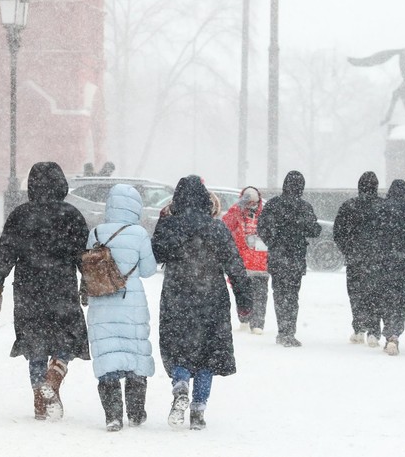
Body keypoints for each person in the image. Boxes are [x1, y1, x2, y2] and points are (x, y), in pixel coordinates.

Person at [0, 161, 90, 421]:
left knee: (35, 343)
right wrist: (86, 282)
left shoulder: (20, 215)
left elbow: (5, 251)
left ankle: (39, 401)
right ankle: (55, 374)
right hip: (61, 285)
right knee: (68, 335)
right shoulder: (71, 215)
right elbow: (83, 254)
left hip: (29, 288)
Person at [151, 175, 252, 431]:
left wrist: (166, 223)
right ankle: (198, 410)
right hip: (211, 298)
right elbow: (235, 266)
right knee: (209, 355)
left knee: (178, 347)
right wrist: (244, 300)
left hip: (177, 296)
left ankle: (181, 383)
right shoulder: (217, 228)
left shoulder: (170, 226)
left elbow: (156, 254)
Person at [86, 184, 157, 432]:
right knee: (135, 355)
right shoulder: (138, 233)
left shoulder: (95, 232)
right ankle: (136, 413)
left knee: (107, 357)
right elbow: (148, 271)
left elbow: (89, 267)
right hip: (131, 303)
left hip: (101, 301)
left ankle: (113, 416)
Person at [257, 170, 321, 347]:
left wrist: (273, 241)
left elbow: (262, 227)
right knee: (292, 295)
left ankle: (282, 331)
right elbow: (314, 230)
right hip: (296, 256)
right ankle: (289, 332)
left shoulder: (273, 204)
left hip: (277, 256)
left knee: (279, 294)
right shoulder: (304, 207)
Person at [333, 172, 383, 347]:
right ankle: (374, 331)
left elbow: (338, 233)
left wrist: (348, 250)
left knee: (356, 294)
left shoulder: (349, 206)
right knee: (375, 294)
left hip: (355, 258)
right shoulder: (383, 207)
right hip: (377, 259)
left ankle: (359, 328)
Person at [375, 180, 405, 356]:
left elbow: (375, 235)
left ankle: (388, 334)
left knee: (386, 298)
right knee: (401, 300)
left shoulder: (381, 209)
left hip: (385, 261)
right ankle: (395, 334)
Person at [222, 186, 269, 335]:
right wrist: (237, 208)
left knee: (260, 293)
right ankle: (244, 319)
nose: (250, 205)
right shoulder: (236, 212)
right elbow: (225, 226)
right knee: (242, 292)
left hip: (260, 261)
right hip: (242, 260)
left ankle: (257, 323)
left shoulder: (265, 213)